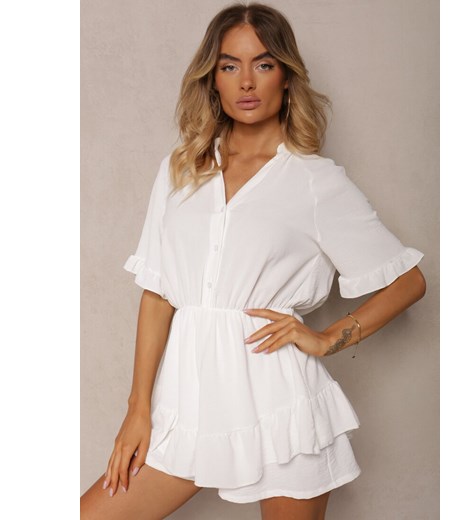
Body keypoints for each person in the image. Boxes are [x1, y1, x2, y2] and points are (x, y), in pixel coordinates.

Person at [80, 3, 426, 519]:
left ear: (286, 76)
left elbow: (408, 281)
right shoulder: (181, 170)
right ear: (212, 78)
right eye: (229, 65)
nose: (246, 81)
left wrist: (328, 338)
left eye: (263, 64)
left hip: (281, 409)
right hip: (187, 402)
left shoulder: (315, 181)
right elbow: (158, 294)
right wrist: (138, 409)